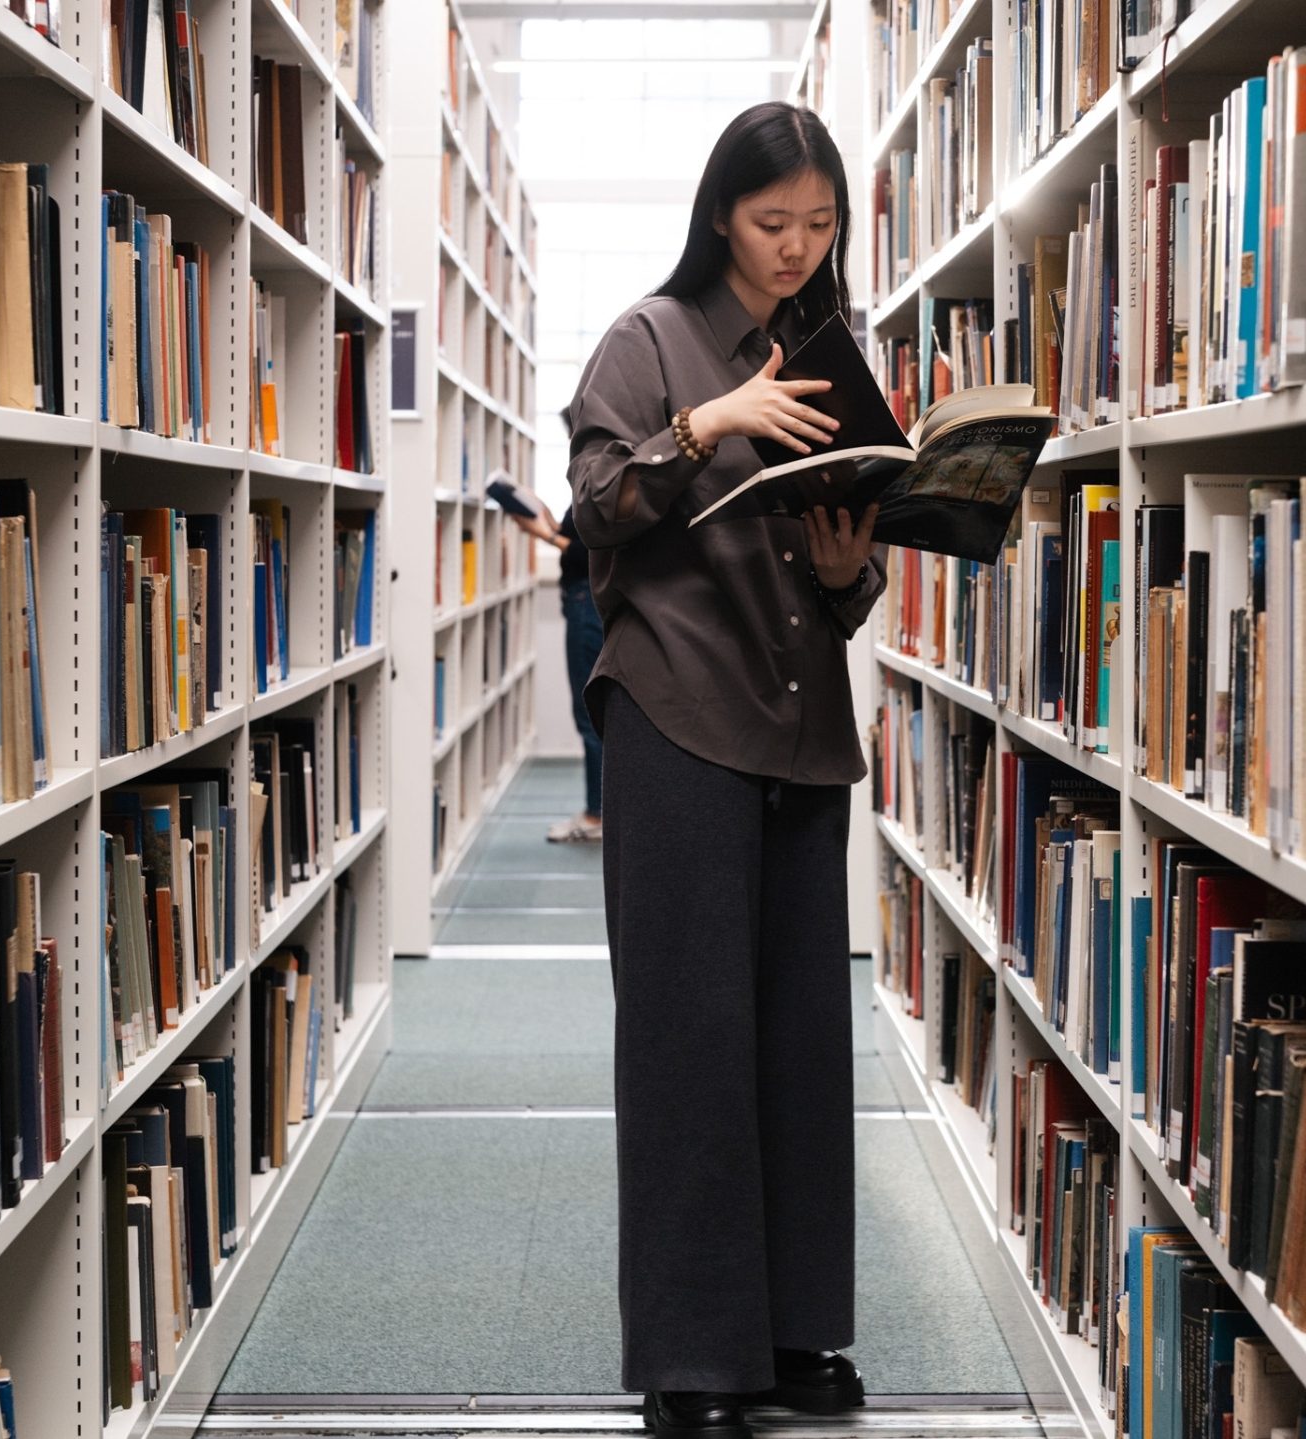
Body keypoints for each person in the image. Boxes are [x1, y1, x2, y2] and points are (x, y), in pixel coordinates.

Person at [562, 101, 882, 1439]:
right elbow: (588, 516)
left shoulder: (834, 350)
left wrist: (847, 565)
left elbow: (847, 593)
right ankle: (695, 1354)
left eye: (819, 225)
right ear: (718, 217)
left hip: (801, 724)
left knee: (802, 1040)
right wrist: (704, 426)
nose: (797, 248)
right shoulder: (650, 338)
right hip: (679, 717)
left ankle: (796, 1327)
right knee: (691, 1041)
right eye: (772, 224)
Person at [509, 495, 604, 842]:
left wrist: (544, 535)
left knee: (589, 713)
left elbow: (592, 553)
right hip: (585, 602)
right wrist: (549, 521)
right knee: (591, 712)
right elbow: (585, 538)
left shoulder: (599, 461)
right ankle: (597, 809)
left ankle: (597, 815)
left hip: (586, 603)